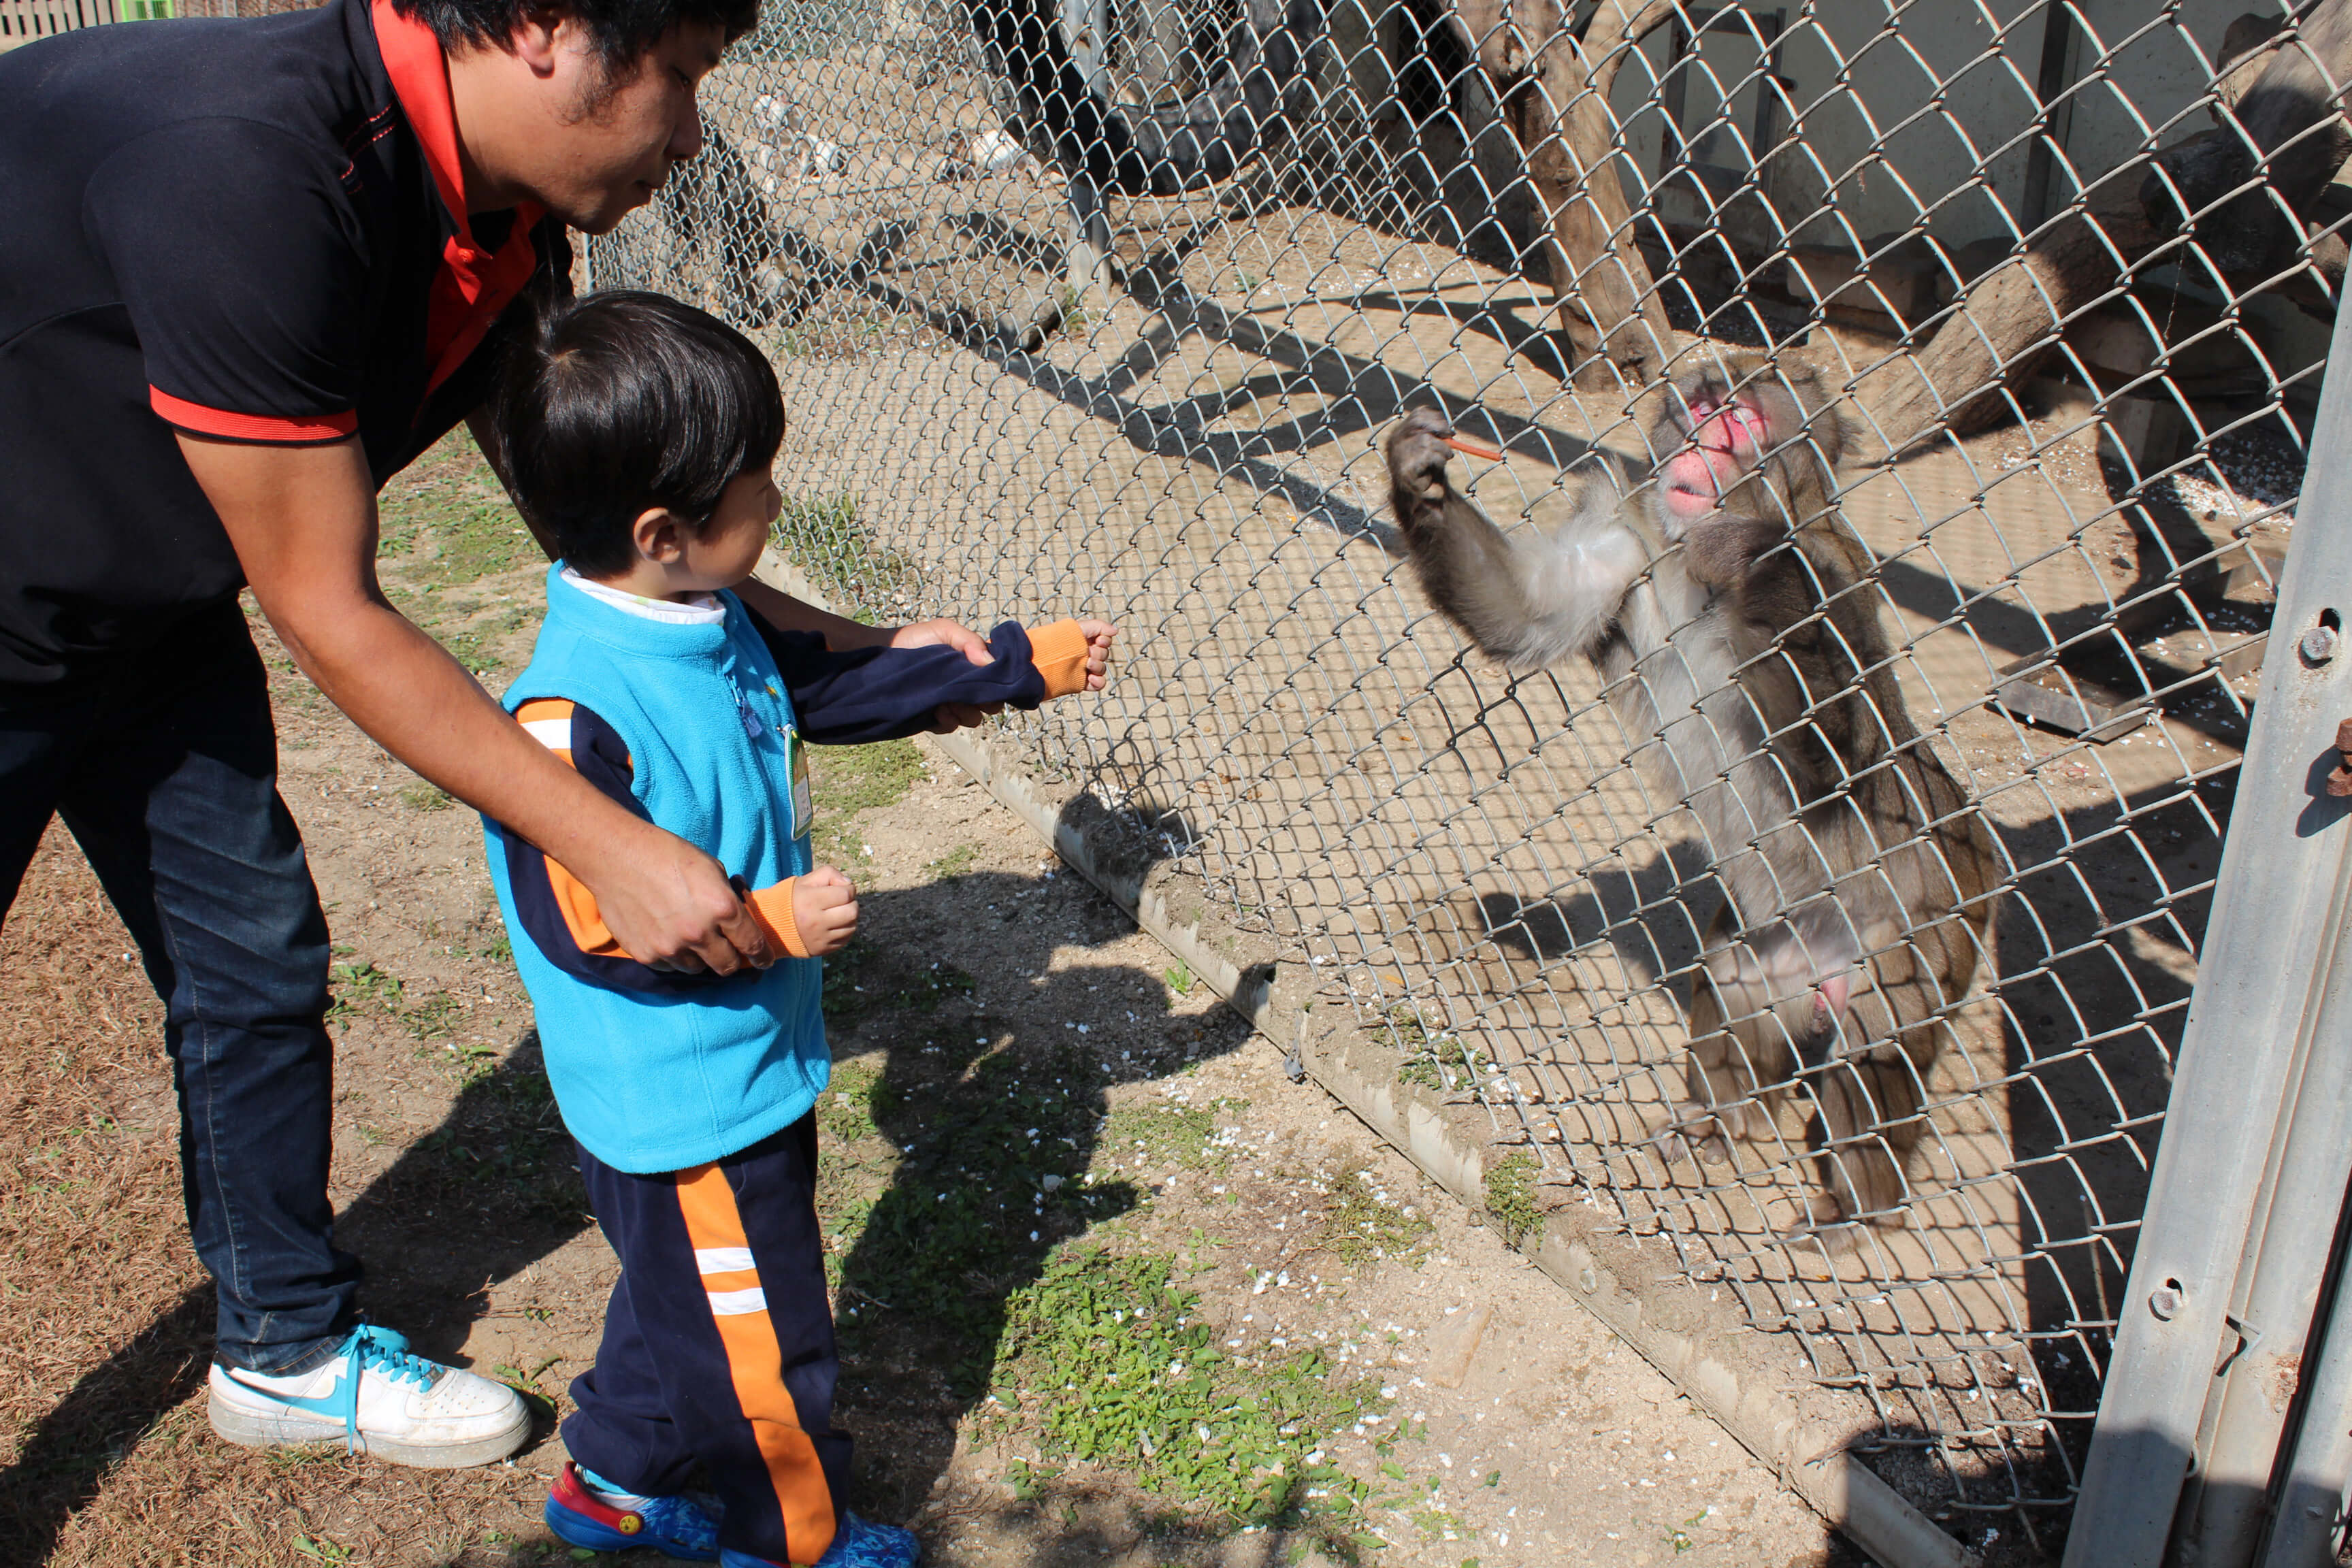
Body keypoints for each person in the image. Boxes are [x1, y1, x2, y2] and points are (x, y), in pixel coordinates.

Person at [0, 0, 997, 1465]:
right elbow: (332, 609)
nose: (693, 133)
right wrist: (612, 842)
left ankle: (280, 1345)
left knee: (251, 961)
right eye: (685, 75)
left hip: (135, 597)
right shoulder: (254, 171)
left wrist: (864, 653)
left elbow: (601, 530)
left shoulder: (499, 215)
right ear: (547, 32)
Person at [480, 290, 1113, 1568]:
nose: (776, 495)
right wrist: (759, 925)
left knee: (696, 1295)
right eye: (757, 481)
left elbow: (827, 685)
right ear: (666, 532)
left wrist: (1005, 664)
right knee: (763, 1337)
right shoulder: (568, 719)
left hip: (744, 1073)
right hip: (685, 1097)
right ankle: (791, 1541)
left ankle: (611, 1477)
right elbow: (584, 922)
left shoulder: (708, 619)